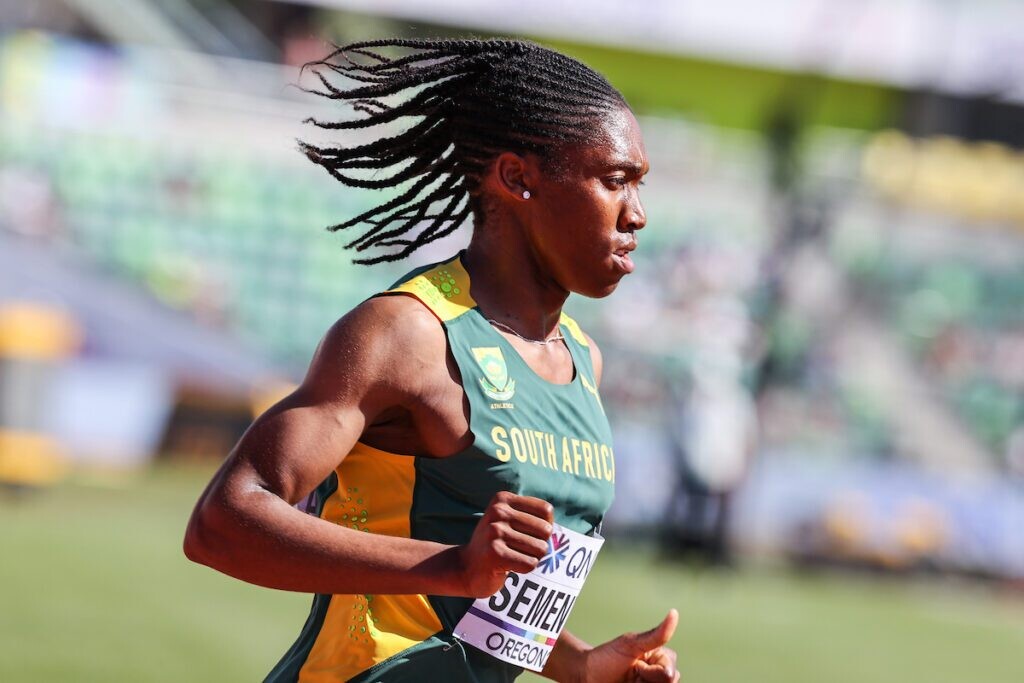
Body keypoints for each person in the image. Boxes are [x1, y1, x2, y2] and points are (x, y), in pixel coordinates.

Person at [184, 38, 679, 683]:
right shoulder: (407, 333)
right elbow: (223, 522)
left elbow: (482, 588)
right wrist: (452, 566)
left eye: (639, 185)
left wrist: (580, 665)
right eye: (614, 181)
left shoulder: (582, 359)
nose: (637, 215)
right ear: (517, 178)